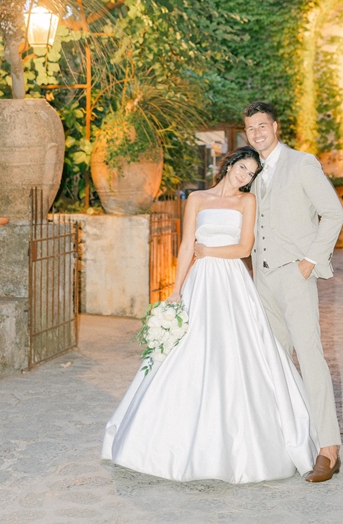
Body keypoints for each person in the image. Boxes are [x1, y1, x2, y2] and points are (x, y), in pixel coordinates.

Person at [101, 146, 318, 483]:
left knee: (235, 352)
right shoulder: (198, 199)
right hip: (199, 283)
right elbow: (187, 245)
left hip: (231, 282)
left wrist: (209, 251)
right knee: (188, 350)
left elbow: (244, 248)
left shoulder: (247, 202)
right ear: (229, 164)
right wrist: (175, 290)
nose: (245, 176)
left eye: (251, 174)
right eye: (242, 168)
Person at [243, 101, 343, 484]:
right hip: (263, 279)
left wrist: (310, 261)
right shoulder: (252, 172)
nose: (257, 133)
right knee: (275, 361)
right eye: (251, 128)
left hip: (295, 275)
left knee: (309, 356)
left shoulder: (302, 163)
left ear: (276, 127)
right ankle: (289, 442)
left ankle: (329, 450)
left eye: (262, 125)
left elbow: (334, 213)